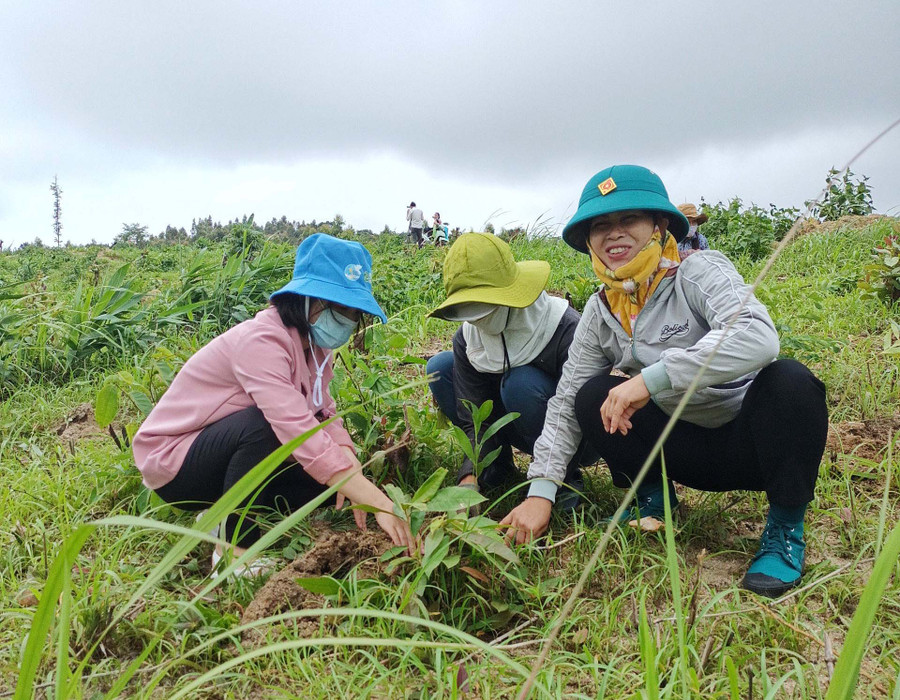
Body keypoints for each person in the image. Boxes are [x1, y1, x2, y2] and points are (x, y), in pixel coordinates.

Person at [500, 165, 827, 597]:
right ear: (589, 241)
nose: (614, 234)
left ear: (658, 225)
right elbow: (563, 404)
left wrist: (651, 379)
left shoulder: (697, 272)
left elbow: (756, 336)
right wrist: (541, 491)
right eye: (601, 225)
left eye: (628, 220)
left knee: (792, 382)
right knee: (590, 394)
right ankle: (654, 499)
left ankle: (785, 529)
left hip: (747, 443)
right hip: (679, 445)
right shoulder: (602, 310)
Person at [133, 233, 413, 575]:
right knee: (267, 428)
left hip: (226, 454)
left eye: (356, 313)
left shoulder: (316, 348)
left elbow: (324, 411)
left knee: (326, 485)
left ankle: (218, 516)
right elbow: (295, 426)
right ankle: (234, 554)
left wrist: (351, 466)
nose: (349, 321)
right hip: (176, 463)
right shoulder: (261, 341)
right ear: (309, 299)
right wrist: (377, 500)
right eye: (342, 309)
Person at [426, 233, 591, 508]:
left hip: (572, 433)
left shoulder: (565, 328)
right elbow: (474, 415)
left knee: (519, 383)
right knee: (441, 368)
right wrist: (470, 474)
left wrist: (546, 484)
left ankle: (563, 480)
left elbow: (575, 410)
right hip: (514, 425)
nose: (478, 320)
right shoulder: (467, 338)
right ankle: (496, 468)